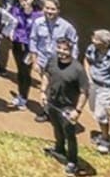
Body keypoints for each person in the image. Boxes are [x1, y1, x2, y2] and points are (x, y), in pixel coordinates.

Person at [40, 38, 89, 176]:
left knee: (70, 135)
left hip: (68, 108)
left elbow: (84, 92)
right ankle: (59, 149)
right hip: (52, 103)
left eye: (65, 49)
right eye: (59, 48)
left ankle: (72, 161)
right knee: (56, 128)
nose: (61, 52)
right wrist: (43, 92)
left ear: (71, 50)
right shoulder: (52, 60)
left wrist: (77, 111)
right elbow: (46, 74)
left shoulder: (78, 69)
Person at [29, 0, 80, 122]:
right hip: (42, 60)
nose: (49, 11)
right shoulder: (38, 22)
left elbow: (74, 46)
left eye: (52, 9)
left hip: (59, 63)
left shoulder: (67, 27)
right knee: (46, 88)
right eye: (47, 8)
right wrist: (34, 61)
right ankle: (47, 112)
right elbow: (33, 41)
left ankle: (59, 113)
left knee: (58, 89)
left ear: (58, 10)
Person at [84, 29, 110, 155]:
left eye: (96, 39)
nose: (93, 40)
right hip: (93, 85)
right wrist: (88, 76)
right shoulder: (92, 48)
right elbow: (86, 60)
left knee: (102, 114)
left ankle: (105, 140)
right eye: (93, 37)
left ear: (105, 43)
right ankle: (103, 133)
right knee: (94, 110)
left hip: (107, 88)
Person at [7, 0, 40, 111]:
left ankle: (24, 97)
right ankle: (20, 95)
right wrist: (10, 32)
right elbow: (10, 21)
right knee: (20, 70)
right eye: (21, 1)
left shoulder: (38, 14)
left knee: (26, 71)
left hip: (30, 47)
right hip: (17, 44)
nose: (24, 3)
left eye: (26, 0)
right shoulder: (16, 10)